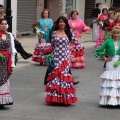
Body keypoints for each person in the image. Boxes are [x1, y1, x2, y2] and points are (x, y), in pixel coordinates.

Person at [45, 16, 78, 105]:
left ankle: (64, 98)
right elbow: (52, 45)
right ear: (58, 23)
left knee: (64, 76)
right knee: (56, 76)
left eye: (63, 22)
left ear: (66, 23)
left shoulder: (69, 32)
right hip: (56, 57)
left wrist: (73, 54)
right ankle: (55, 98)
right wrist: (44, 49)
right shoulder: (54, 33)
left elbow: (77, 43)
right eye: (60, 22)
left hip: (65, 58)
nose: (61, 23)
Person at [95, 26, 120, 106]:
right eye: (115, 33)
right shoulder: (108, 41)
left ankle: (117, 101)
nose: (116, 35)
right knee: (110, 80)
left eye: (118, 33)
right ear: (112, 34)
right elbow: (99, 50)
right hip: (110, 63)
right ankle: (108, 100)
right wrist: (105, 58)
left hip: (118, 62)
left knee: (117, 80)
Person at [0, 18, 16, 108]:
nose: (4, 25)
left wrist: (12, 63)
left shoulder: (9, 35)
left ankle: (3, 100)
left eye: (5, 24)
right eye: (2, 24)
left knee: (5, 79)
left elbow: (12, 50)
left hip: (6, 61)